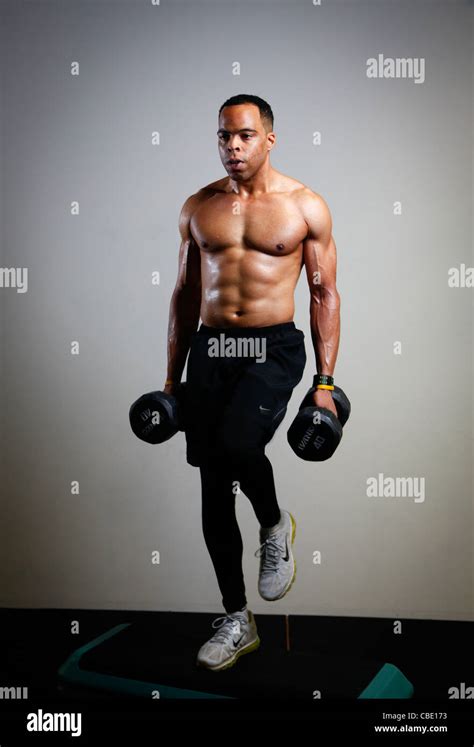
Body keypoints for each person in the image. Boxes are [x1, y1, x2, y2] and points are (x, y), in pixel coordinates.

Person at [163, 94, 341, 672]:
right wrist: (171, 380)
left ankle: (273, 524)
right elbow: (186, 296)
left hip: (272, 346)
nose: (231, 147)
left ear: (269, 139)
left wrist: (324, 382)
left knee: (241, 444)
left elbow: (323, 294)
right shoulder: (198, 207)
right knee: (213, 485)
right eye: (222, 136)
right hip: (210, 350)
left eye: (243, 135)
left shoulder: (303, 206)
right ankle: (237, 617)